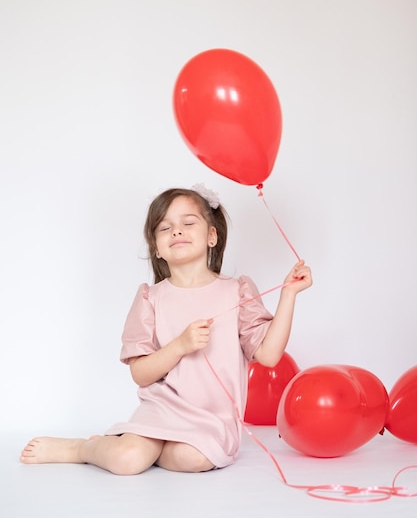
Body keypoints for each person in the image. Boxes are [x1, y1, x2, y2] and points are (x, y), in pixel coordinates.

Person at [20, 185, 312, 475]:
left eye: (188, 223)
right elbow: (140, 374)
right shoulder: (151, 297)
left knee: (193, 459)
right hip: (161, 410)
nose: (177, 231)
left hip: (213, 420)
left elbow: (270, 355)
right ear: (157, 248)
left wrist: (289, 294)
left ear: (212, 236)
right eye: (165, 227)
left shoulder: (237, 290)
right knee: (127, 461)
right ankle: (83, 449)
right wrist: (180, 345)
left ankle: (149, 449)